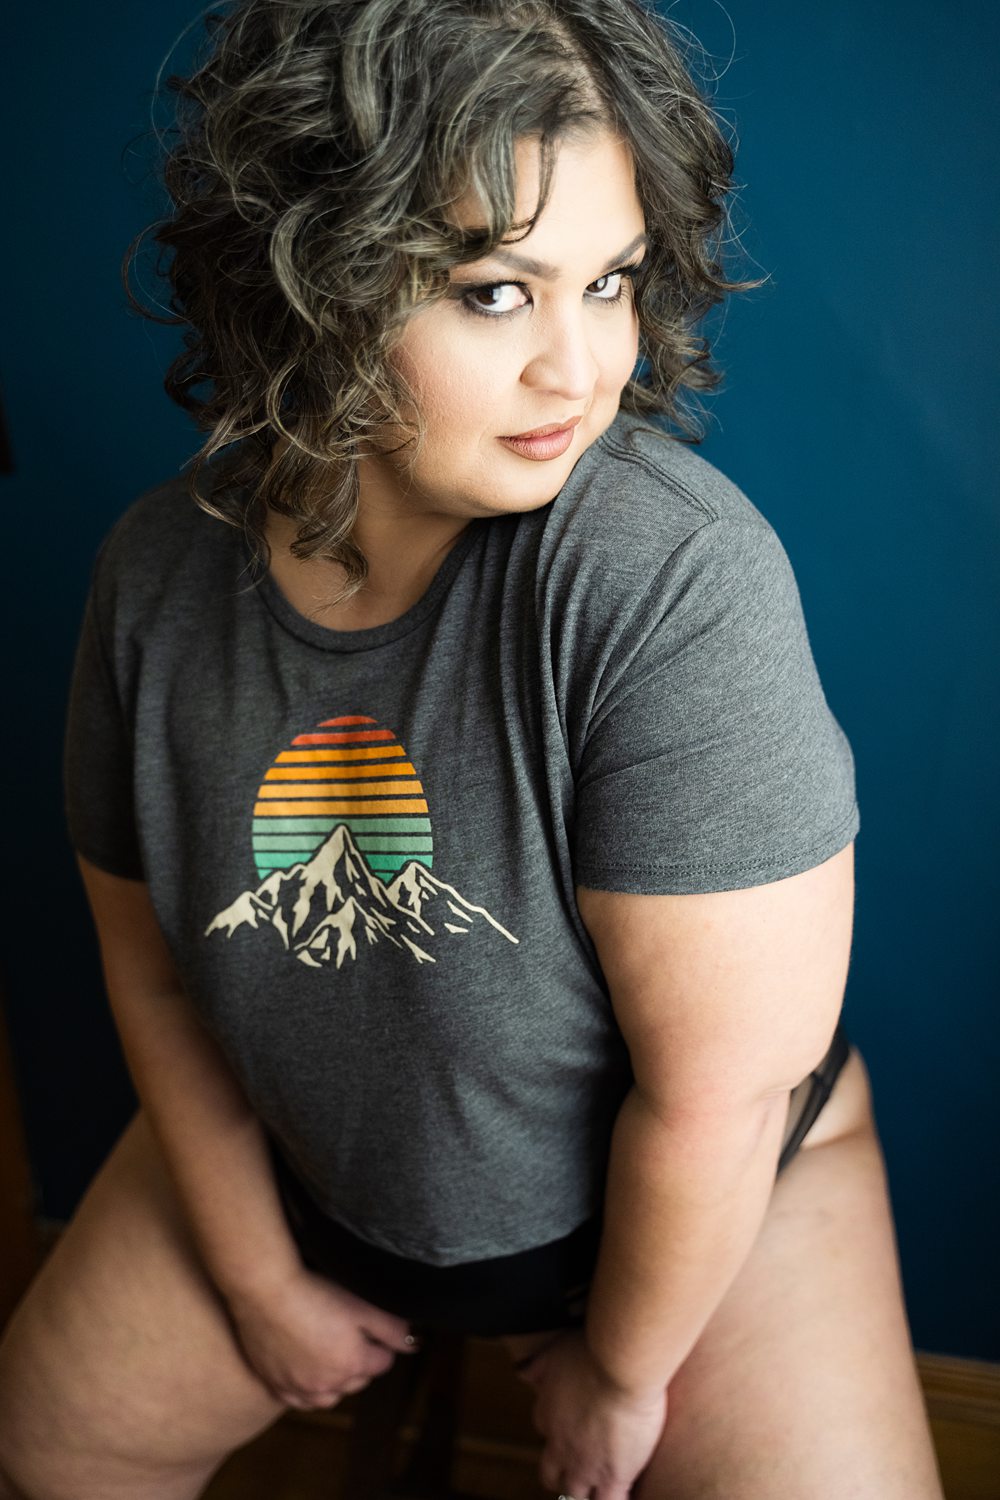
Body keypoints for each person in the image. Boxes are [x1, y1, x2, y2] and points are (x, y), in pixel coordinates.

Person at [0, 2, 945, 1497]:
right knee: (47, 1448)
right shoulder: (157, 579)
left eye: (613, 284)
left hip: (705, 1206)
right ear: (310, 276)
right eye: (498, 294)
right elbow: (152, 971)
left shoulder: (673, 584)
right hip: (310, 1179)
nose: (581, 373)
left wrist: (628, 1376)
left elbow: (718, 1094)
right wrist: (256, 1280)